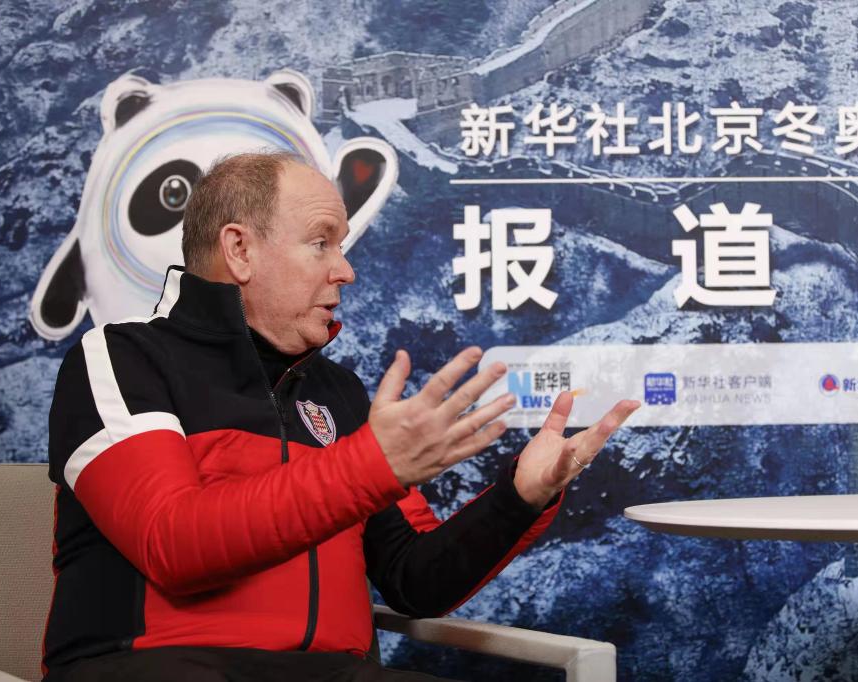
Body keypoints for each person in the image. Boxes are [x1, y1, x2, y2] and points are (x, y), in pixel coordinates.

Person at [43, 151, 639, 681]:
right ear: (240, 250)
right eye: (321, 242)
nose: (345, 270)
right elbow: (173, 543)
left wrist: (520, 498)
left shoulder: (338, 392)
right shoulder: (121, 358)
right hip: (158, 668)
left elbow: (414, 578)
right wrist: (369, 467)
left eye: (342, 245)